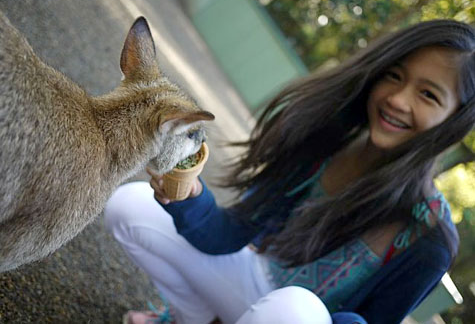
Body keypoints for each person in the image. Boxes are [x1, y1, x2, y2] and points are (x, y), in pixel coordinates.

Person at [104, 19, 475, 324]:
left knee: (293, 309)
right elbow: (231, 233)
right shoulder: (325, 140)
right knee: (130, 205)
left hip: (291, 318)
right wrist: (189, 199)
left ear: (455, 120)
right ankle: (190, 319)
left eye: (428, 95)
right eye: (394, 76)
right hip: (252, 279)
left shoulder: (430, 240)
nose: (397, 99)